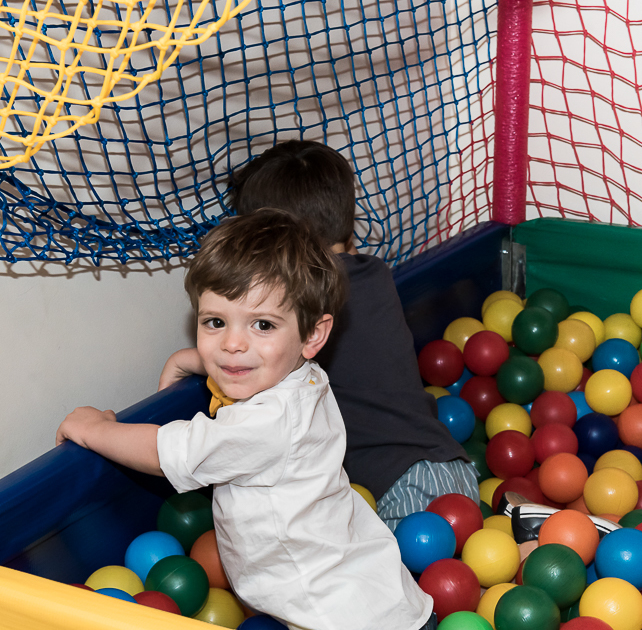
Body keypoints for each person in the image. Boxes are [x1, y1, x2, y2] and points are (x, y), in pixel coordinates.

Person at [57, 209, 436, 630]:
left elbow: (169, 451)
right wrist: (197, 360)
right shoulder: (304, 376)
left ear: (313, 334)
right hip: (382, 611)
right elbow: (258, 359)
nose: (233, 345)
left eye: (262, 326)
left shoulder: (267, 422)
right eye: (215, 322)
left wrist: (93, 429)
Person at [159, 140, 479, 530]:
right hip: (448, 469)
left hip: (402, 491)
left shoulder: (311, 308)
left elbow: (273, 361)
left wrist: (190, 359)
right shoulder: (375, 274)